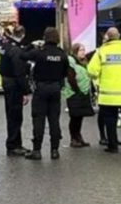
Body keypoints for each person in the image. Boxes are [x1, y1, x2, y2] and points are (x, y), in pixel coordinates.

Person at [22, 27, 69, 160]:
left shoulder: (39, 52)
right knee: (54, 120)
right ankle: (55, 150)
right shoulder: (61, 54)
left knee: (39, 119)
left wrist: (31, 45)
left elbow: (22, 55)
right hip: (55, 88)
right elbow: (65, 72)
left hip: (41, 88)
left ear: (45, 38)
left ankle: (37, 150)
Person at [0, 26, 31, 157]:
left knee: (11, 114)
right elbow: (19, 72)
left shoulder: (5, 46)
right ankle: (13, 145)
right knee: (15, 116)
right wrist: (26, 91)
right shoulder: (16, 50)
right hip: (14, 84)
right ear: (22, 35)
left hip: (6, 82)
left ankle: (16, 143)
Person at [62, 43, 93, 148]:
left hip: (83, 92)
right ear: (75, 51)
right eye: (81, 50)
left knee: (79, 117)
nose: (83, 52)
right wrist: (77, 91)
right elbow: (71, 78)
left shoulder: (83, 62)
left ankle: (79, 137)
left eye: (84, 50)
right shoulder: (71, 61)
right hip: (74, 93)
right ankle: (73, 139)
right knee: (74, 117)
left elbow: (91, 54)